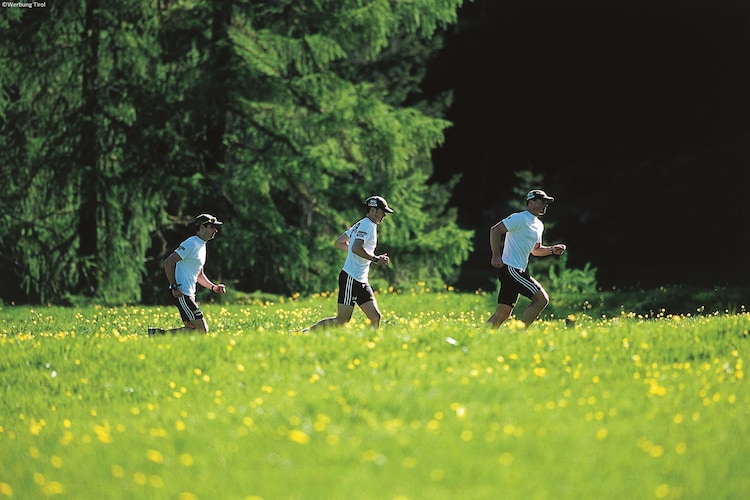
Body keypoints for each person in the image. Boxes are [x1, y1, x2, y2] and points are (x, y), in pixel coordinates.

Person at [305, 196, 394, 331]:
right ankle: (305, 333)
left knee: (375, 317)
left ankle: (370, 345)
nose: (384, 215)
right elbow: (356, 248)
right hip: (351, 278)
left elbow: (339, 242)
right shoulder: (367, 225)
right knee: (341, 321)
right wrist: (376, 259)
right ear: (373, 210)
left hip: (361, 280)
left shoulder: (362, 224)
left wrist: (355, 252)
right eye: (383, 211)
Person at [487, 190, 566, 328]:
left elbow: (536, 250)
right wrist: (496, 255)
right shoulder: (519, 218)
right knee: (541, 300)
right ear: (531, 202)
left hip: (514, 271)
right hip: (511, 269)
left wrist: (552, 250)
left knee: (503, 314)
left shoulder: (539, 225)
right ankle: (519, 334)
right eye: (543, 202)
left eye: (547, 202)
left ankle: (481, 335)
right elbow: (495, 230)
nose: (545, 205)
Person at [148, 213, 227, 335]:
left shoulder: (202, 246)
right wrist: (174, 286)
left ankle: (157, 335)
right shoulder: (191, 243)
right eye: (212, 227)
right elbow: (169, 262)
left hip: (188, 294)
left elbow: (199, 275)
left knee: (192, 331)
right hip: (182, 293)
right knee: (202, 330)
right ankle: (158, 335)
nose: (215, 230)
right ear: (202, 227)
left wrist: (214, 287)